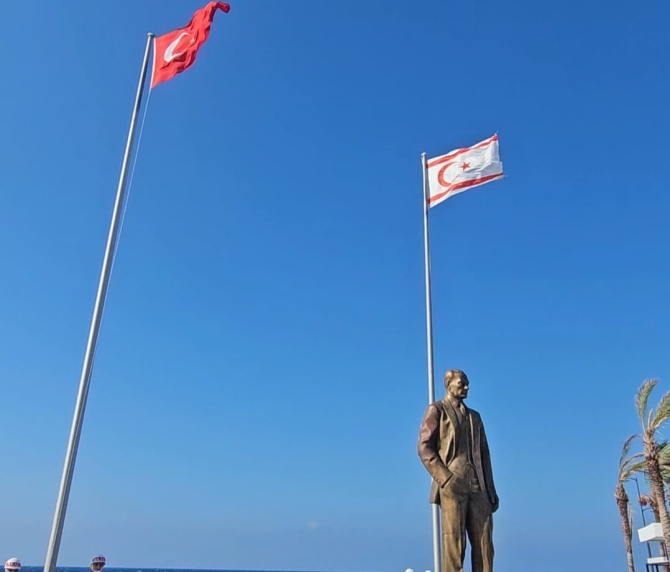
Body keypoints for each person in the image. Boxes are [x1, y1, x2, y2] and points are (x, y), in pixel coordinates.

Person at [417, 369, 499, 572]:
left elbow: (485, 455)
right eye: (462, 383)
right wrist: (445, 477)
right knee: (454, 542)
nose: (466, 387)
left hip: (477, 484)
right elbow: (423, 446)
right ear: (448, 385)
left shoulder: (475, 418)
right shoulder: (437, 410)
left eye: (467, 383)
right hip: (452, 483)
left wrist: (491, 489)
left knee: (484, 542)